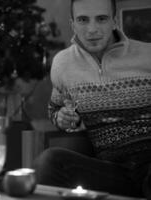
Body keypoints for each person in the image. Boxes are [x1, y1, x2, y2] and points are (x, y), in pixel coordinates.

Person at [34, 0, 151, 198]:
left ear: (114, 21)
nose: (92, 29)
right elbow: (54, 109)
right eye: (83, 20)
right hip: (113, 171)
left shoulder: (147, 55)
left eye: (101, 19)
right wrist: (62, 118)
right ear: (73, 24)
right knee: (49, 162)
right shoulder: (63, 64)